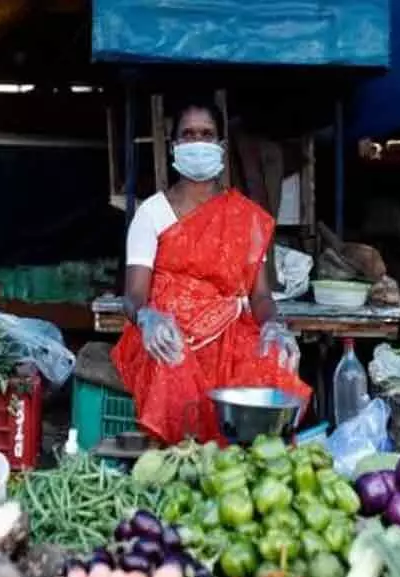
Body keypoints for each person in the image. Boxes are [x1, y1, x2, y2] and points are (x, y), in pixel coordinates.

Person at [112, 99, 311, 445]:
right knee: (169, 373)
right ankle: (180, 464)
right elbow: (134, 295)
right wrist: (147, 318)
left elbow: (259, 295)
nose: (197, 142)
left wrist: (274, 326)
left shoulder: (246, 216)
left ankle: (253, 471)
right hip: (168, 335)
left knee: (272, 369)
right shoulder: (152, 213)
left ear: (220, 146)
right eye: (188, 135)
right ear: (175, 146)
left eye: (206, 134)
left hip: (232, 335)